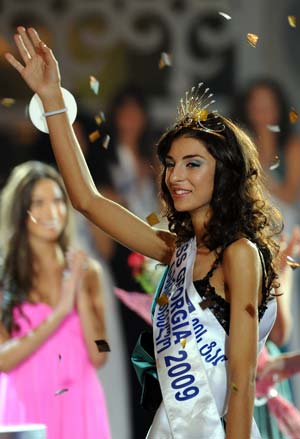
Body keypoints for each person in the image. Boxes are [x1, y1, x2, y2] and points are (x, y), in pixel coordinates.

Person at [5, 27, 283, 438]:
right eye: (171, 163)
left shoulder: (240, 253)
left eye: (193, 164)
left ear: (224, 172)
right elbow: (86, 200)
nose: (176, 175)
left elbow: (240, 380)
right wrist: (52, 101)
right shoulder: (176, 250)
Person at [0, 161, 111, 439]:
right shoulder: (5, 278)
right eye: (38, 203)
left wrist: (80, 292)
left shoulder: (88, 273)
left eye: (58, 201)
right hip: (26, 411)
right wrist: (59, 314)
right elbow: (3, 359)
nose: (52, 211)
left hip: (80, 407)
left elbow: (101, 351)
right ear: (21, 211)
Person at [233, 78, 300, 235]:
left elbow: (289, 196)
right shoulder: (240, 144)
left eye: (267, 103)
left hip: (283, 224)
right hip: (248, 222)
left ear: (278, 108)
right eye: (255, 103)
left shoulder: (292, 146)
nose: (261, 109)